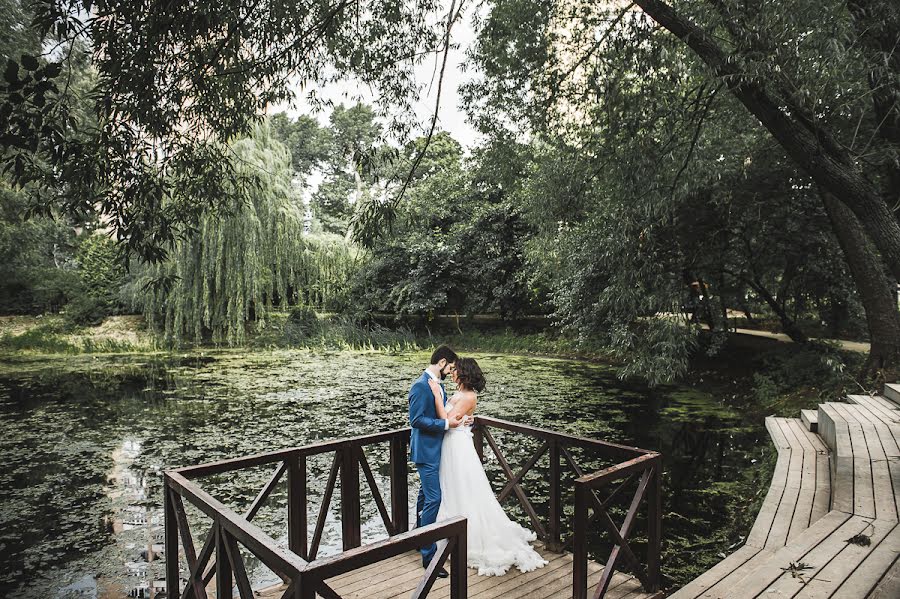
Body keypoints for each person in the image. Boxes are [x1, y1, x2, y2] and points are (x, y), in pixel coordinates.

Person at [427, 357, 548, 577]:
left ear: (464, 373)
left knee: (464, 487)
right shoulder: (460, 394)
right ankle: (446, 531)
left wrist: (436, 395)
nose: (452, 373)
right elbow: (455, 419)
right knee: (452, 487)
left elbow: (446, 419)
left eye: (456, 371)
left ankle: (465, 535)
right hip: (451, 443)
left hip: (457, 446)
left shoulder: (468, 396)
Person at [408, 345, 465, 577]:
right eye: (450, 367)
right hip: (426, 452)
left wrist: (459, 420)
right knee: (434, 498)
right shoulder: (421, 386)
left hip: (436, 450)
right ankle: (429, 556)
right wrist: (445, 425)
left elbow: (442, 414)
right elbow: (417, 420)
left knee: (424, 496)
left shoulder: (435, 385)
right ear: (442, 362)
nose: (451, 372)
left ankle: (417, 537)